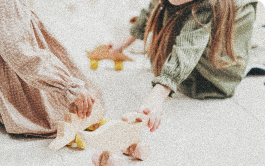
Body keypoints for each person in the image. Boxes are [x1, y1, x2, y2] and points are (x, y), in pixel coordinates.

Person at [0, 0, 103, 137]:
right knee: (70, 107)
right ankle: (1, 108)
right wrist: (68, 85)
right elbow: (14, 43)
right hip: (6, 63)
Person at [109, 0, 258, 132]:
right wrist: (122, 44)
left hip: (213, 80)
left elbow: (188, 47)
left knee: (190, 31)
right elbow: (150, 11)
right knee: (165, 9)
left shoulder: (209, 6)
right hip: (196, 42)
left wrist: (158, 94)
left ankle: (178, 71)